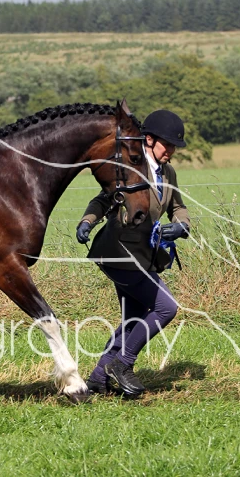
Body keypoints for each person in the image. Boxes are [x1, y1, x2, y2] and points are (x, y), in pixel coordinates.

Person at [76, 108, 191, 397]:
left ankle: (98, 379)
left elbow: (178, 207)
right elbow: (103, 199)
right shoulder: (130, 167)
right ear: (149, 140)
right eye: (168, 144)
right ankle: (123, 364)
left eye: (175, 146)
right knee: (166, 308)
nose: (172, 151)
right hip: (119, 253)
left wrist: (181, 227)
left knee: (134, 318)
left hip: (145, 255)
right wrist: (87, 221)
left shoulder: (169, 173)